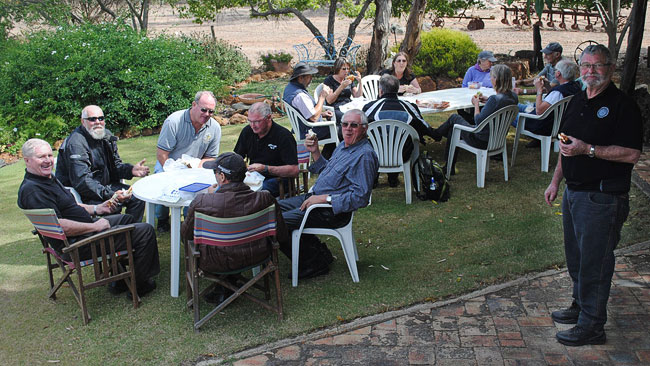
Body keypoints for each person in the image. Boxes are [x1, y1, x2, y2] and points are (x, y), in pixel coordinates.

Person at [544, 44, 642, 347]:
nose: (590, 71)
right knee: (577, 259)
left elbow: (631, 154)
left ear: (610, 68)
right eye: (585, 65)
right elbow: (565, 145)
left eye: (597, 66)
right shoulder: (575, 101)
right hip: (574, 195)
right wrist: (555, 182)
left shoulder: (623, 106)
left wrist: (588, 149)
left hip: (603, 198)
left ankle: (592, 326)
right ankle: (579, 305)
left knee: (595, 264)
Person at [18, 139, 160, 297]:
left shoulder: (46, 179)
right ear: (27, 160)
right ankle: (139, 285)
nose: (47, 160)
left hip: (84, 232)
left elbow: (71, 206)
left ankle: (119, 278)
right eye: (41, 157)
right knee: (145, 231)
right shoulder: (33, 191)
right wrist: (95, 227)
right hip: (78, 245)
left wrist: (98, 208)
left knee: (126, 219)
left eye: (50, 155)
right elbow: (59, 226)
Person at [278, 109, 378, 280]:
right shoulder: (344, 146)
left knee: (276, 222)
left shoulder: (364, 156)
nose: (347, 129)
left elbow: (360, 197)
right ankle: (318, 252)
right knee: (271, 208)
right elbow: (328, 172)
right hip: (314, 200)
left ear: (364, 128)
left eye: (354, 125)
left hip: (331, 212)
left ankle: (313, 263)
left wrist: (324, 199)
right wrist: (316, 152)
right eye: (344, 124)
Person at [181, 152, 288, 304]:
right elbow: (282, 235)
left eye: (215, 172)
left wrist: (214, 195)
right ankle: (228, 285)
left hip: (213, 261)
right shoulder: (265, 198)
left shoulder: (202, 202)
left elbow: (186, 236)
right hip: (258, 254)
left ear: (222, 177)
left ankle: (223, 286)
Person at [55, 105, 148, 223]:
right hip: (85, 193)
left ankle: (133, 232)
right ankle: (115, 236)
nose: (97, 122)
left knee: (137, 197)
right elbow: (82, 182)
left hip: (105, 185)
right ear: (83, 121)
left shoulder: (106, 135)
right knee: (112, 206)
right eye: (92, 119)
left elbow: (115, 167)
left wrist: (131, 170)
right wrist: (111, 194)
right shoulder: (76, 143)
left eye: (101, 118)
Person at [431, 64, 518, 173]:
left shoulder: (494, 100)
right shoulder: (513, 97)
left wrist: (476, 104)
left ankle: (436, 135)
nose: (490, 79)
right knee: (454, 129)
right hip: (497, 139)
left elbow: (478, 120)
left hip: (481, 139)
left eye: (491, 77)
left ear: (496, 80)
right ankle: (448, 164)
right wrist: (487, 100)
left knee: (454, 119)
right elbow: (498, 105)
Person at [155, 90, 222, 232]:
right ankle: (161, 218)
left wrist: (197, 166)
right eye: (204, 110)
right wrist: (172, 171)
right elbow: (162, 154)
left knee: (202, 188)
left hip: (195, 167)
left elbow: (211, 157)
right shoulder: (174, 121)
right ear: (194, 105)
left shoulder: (215, 127)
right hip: (169, 163)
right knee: (161, 184)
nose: (207, 115)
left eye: (211, 112)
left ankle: (189, 217)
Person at [363, 74, 435, 187]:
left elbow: (360, 127)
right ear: (397, 90)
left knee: (372, 140)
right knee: (402, 140)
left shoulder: (370, 107)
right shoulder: (410, 107)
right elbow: (424, 126)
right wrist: (436, 134)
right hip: (403, 155)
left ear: (380, 91)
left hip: (377, 154)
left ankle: (373, 178)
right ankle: (393, 179)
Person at [234, 102, 298, 197]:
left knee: (251, 193)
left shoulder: (283, 136)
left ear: (268, 118)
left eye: (257, 121)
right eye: (250, 121)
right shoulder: (247, 132)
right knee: (229, 188)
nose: (252, 125)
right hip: (253, 177)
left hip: (278, 179)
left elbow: (294, 170)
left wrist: (265, 169)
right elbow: (237, 158)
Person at [515, 59, 582, 147]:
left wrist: (539, 90)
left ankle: (497, 145)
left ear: (558, 74)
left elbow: (539, 111)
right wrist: (547, 86)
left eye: (556, 70)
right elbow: (554, 100)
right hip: (559, 123)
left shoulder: (558, 92)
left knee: (507, 115)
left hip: (543, 125)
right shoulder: (575, 87)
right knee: (517, 106)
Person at [283, 62, 335, 158]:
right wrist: (322, 97)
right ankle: (327, 160)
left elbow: (306, 112)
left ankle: (325, 159)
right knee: (340, 130)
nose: (311, 78)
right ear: (300, 78)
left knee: (337, 128)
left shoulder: (290, 88)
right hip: (309, 131)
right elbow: (314, 117)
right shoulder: (299, 95)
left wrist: (322, 114)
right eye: (309, 76)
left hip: (304, 127)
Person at [322, 57, 362, 122]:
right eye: (344, 69)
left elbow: (358, 96)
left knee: (363, 115)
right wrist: (341, 87)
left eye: (348, 69)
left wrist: (360, 82)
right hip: (335, 108)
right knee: (350, 118)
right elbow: (329, 100)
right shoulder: (329, 80)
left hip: (348, 106)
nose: (346, 71)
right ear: (337, 69)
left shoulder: (348, 79)